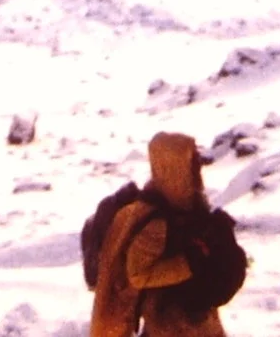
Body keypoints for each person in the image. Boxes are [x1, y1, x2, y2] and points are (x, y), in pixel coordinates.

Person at [87, 131, 243, 337]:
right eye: (191, 162)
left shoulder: (188, 206)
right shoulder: (155, 221)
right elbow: (138, 275)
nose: (197, 169)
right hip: (167, 323)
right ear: (176, 166)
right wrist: (188, 262)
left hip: (195, 319)